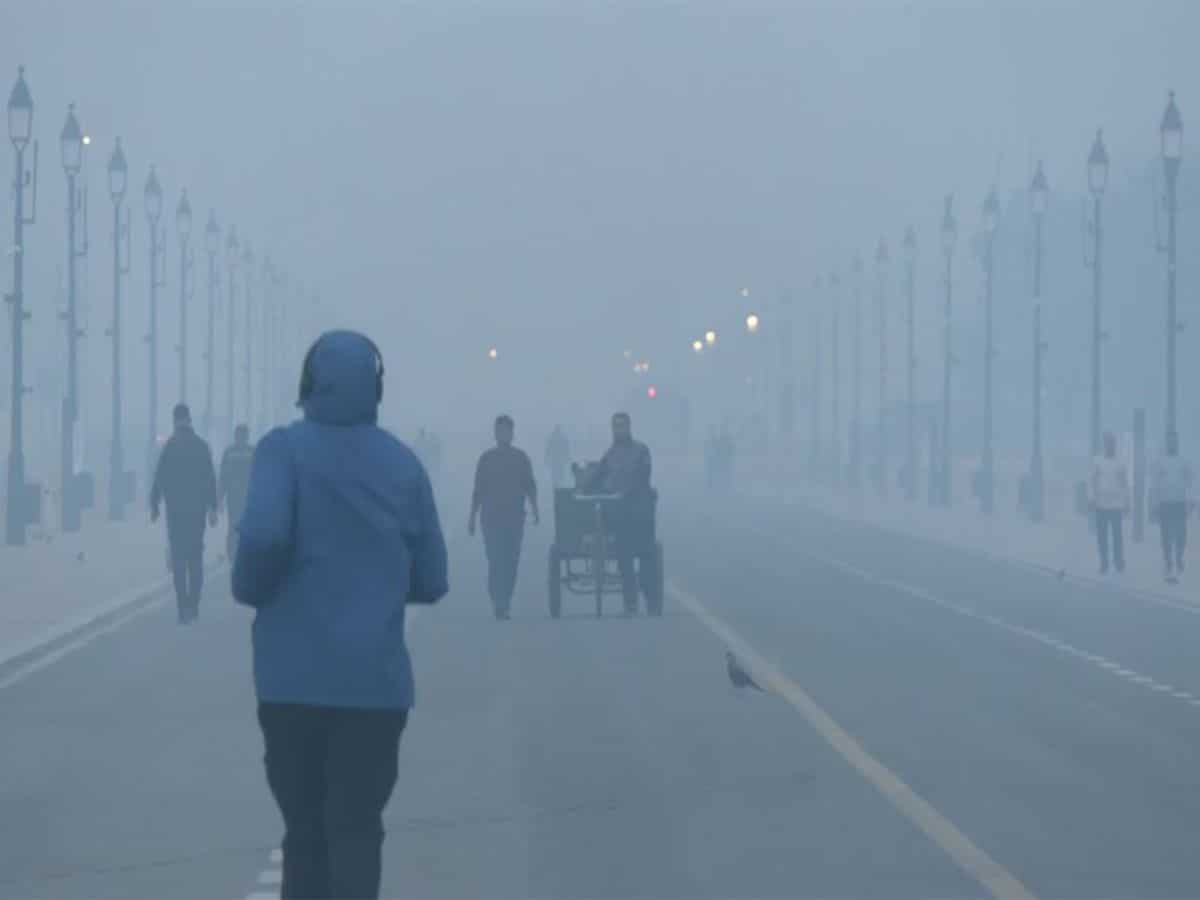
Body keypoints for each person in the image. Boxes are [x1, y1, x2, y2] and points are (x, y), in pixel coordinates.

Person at [232, 331, 448, 900]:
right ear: (376, 387)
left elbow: (261, 536)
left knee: (304, 834)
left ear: (308, 383)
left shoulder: (283, 451)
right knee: (356, 831)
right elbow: (433, 579)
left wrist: (251, 588)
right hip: (373, 689)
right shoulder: (403, 464)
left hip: (290, 685)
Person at [582, 411, 657, 615]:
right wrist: (583, 486)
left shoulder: (641, 451)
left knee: (647, 559)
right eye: (616, 426)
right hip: (620, 515)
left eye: (622, 426)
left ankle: (651, 600)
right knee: (624, 561)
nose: (619, 429)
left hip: (640, 514)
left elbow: (643, 476)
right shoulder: (610, 454)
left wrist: (626, 491)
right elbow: (598, 475)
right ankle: (630, 603)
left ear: (629, 427)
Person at [150, 403, 218, 624]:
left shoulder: (170, 446)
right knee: (195, 558)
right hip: (196, 513)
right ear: (189, 419)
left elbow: (159, 477)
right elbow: (210, 479)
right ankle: (194, 605)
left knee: (179, 560)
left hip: (176, 513)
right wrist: (213, 508)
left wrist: (155, 504)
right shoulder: (201, 447)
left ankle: (183, 608)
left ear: (175, 420)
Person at [469, 415, 538, 620]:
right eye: (499, 431)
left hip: (514, 518)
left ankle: (505, 600)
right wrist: (472, 516)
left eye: (506, 431)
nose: (503, 434)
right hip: (491, 518)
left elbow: (530, 485)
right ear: (495, 433)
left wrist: (535, 509)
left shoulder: (521, 458)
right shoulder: (486, 459)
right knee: (495, 560)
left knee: (511, 560)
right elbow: (478, 489)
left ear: (512, 433)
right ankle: (498, 600)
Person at [1149, 430, 1194, 581]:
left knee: (1182, 535)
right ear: (1166, 443)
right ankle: (1168, 561)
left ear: (1177, 442)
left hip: (1179, 503)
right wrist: (1154, 504)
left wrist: (1191, 500)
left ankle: (1179, 556)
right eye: (1169, 441)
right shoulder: (1159, 462)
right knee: (1166, 535)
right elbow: (1154, 485)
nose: (1172, 443)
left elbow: (1191, 482)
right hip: (1164, 503)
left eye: (1174, 441)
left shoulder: (1183, 462)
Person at [1090, 431, 1130, 575]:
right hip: (1101, 504)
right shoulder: (1097, 460)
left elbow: (1125, 483)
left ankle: (1119, 563)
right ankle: (1104, 563)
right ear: (1104, 445)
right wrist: (1093, 499)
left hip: (1116, 504)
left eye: (1112, 443)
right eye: (1107, 443)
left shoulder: (1120, 462)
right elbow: (1093, 480)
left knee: (1117, 536)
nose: (1110, 446)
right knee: (1102, 537)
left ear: (1115, 445)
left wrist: (1126, 501)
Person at [218, 424, 255, 563]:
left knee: (234, 526)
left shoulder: (229, 452)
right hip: (245, 497)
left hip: (236, 496)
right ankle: (237, 554)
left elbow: (223, 477)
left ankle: (233, 554)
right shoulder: (252, 451)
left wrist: (220, 497)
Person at [545, 424, 571, 488]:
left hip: (556, 459)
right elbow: (566, 449)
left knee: (557, 473)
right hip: (558, 459)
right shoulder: (561, 438)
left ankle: (556, 484)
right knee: (558, 473)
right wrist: (567, 457)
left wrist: (547, 458)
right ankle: (557, 484)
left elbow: (548, 449)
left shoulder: (552, 438)